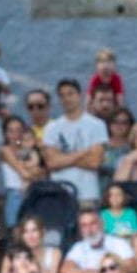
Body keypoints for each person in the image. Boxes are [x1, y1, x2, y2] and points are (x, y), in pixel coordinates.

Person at [43, 78, 108, 206]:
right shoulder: (52, 127)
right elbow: (51, 163)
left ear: (80, 95)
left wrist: (62, 158)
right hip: (60, 193)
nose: (66, 98)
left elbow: (95, 162)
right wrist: (84, 153)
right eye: (62, 95)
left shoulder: (97, 125)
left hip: (88, 194)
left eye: (70, 93)